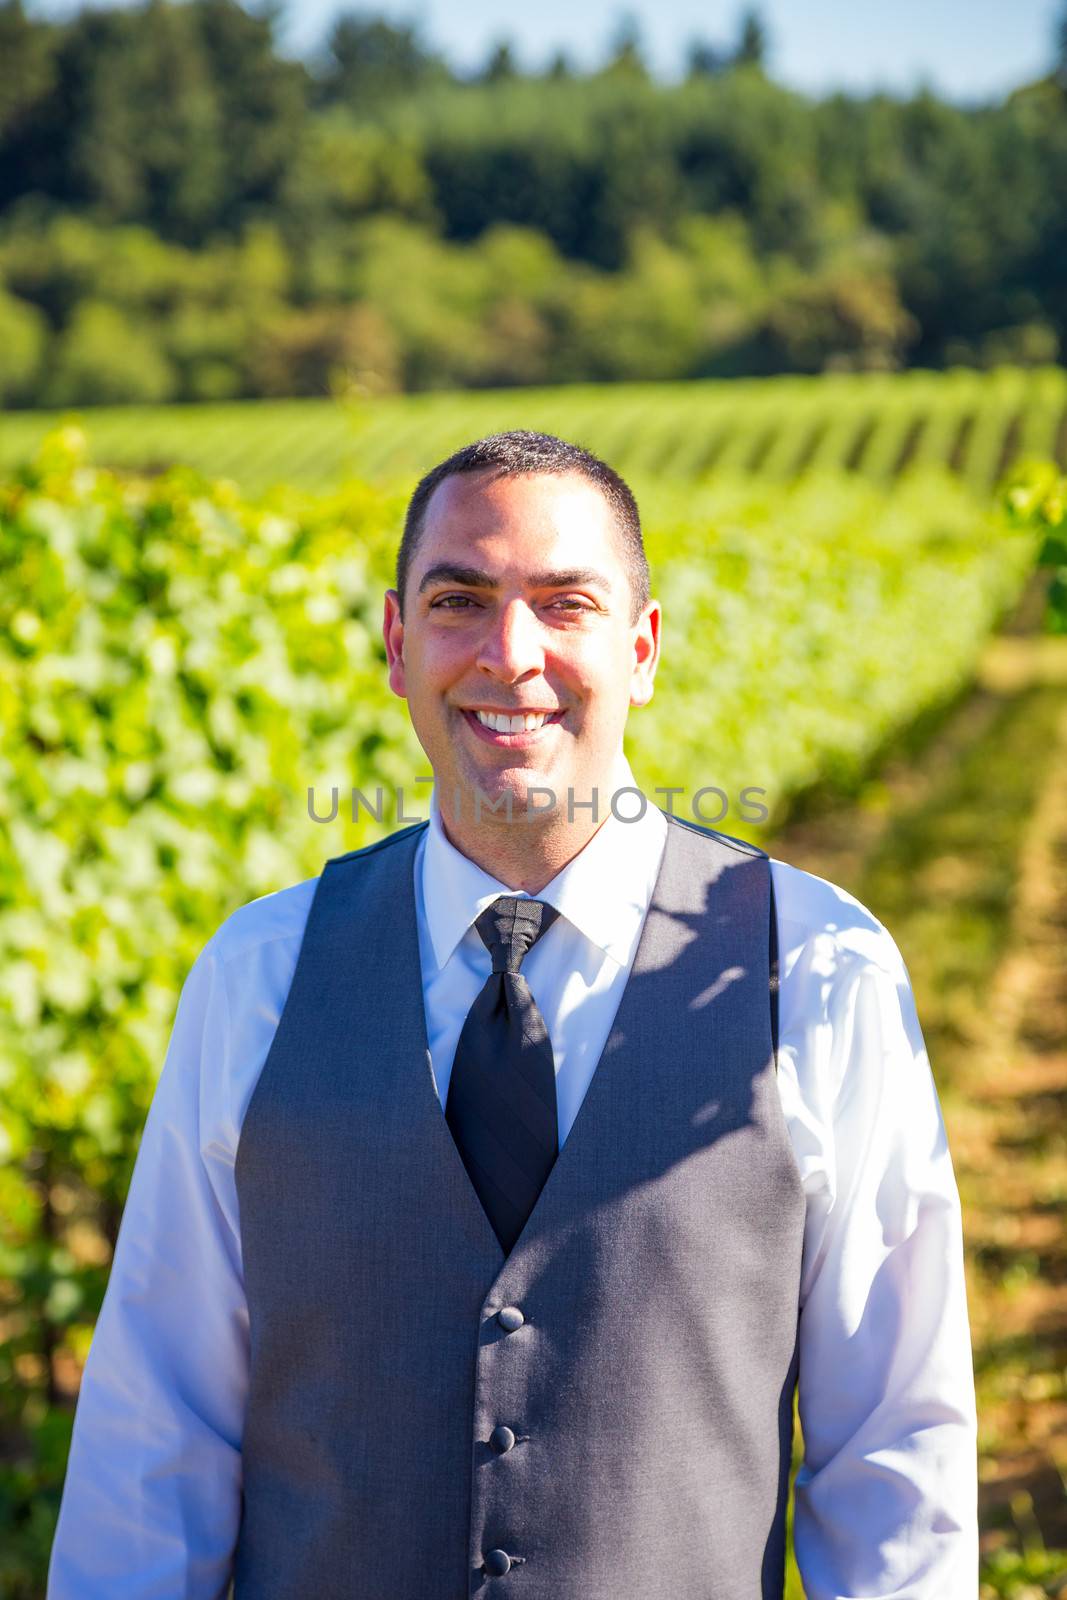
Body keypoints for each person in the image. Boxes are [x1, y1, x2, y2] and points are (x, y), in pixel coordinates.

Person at [47, 430, 977, 1599]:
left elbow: (892, 1450)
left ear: (641, 649)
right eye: (459, 599)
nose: (510, 651)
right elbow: (155, 1431)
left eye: (564, 602)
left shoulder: (818, 968)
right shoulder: (258, 974)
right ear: (395, 643)